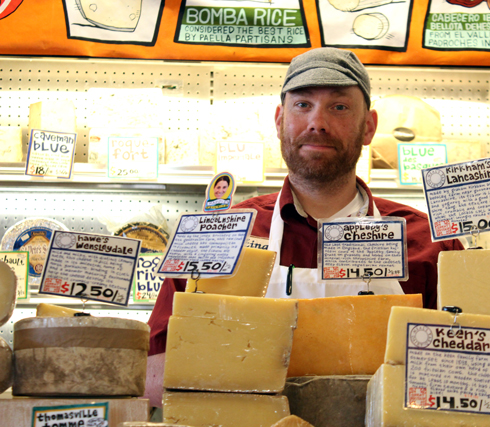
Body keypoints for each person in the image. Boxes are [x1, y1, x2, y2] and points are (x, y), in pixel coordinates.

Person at [143, 47, 464, 407]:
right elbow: (154, 373)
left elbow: (468, 376)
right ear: (280, 120)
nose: (318, 122)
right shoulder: (216, 235)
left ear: (369, 127)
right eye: (302, 105)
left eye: (339, 107)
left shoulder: (430, 244)